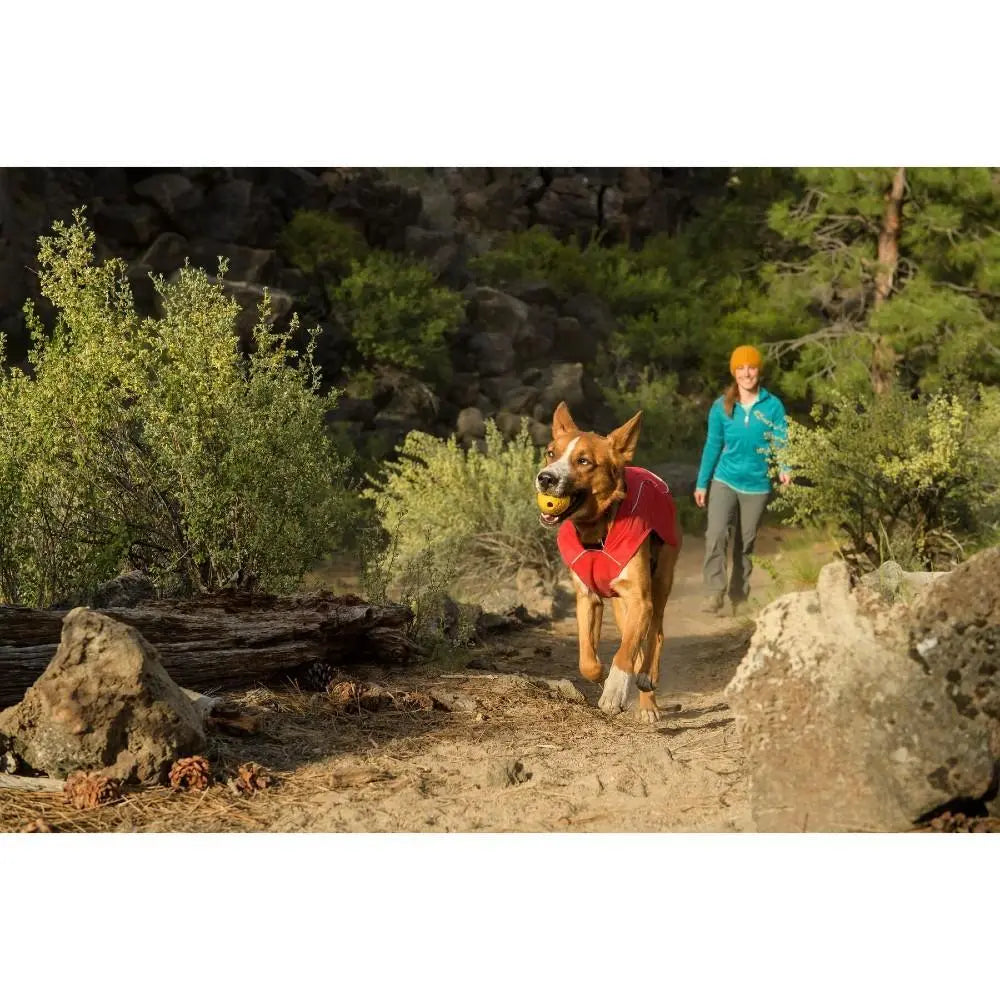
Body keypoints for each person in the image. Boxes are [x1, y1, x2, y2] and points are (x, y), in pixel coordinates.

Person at [693, 345, 790, 614]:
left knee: (745, 543)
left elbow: (781, 439)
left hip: (757, 484)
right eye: (741, 368)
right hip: (725, 479)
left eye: (752, 367)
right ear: (734, 372)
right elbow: (712, 446)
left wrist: (785, 466)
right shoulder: (721, 407)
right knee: (716, 534)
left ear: (759, 371)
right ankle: (714, 593)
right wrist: (702, 483)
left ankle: (739, 596)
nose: (747, 373)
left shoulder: (772, 406)